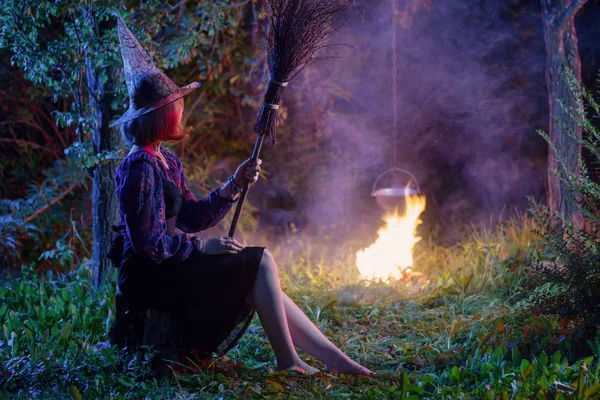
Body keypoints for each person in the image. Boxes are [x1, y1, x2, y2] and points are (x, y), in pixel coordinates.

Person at [108, 16, 371, 375]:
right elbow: (148, 246)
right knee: (258, 262)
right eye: (177, 104)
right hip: (149, 276)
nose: (182, 109)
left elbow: (191, 217)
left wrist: (233, 184)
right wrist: (202, 249)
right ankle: (288, 362)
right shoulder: (140, 167)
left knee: (261, 275)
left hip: (168, 262)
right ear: (162, 115)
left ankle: (336, 361)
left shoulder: (165, 160)